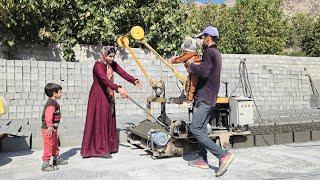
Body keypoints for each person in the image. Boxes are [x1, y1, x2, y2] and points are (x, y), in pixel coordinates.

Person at [185, 26, 234, 177]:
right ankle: (202, 159)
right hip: (210, 97)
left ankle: (222, 155)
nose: (201, 40)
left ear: (208, 37)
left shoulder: (209, 52)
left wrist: (191, 66)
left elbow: (204, 73)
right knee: (202, 130)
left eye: (202, 37)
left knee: (195, 129)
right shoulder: (216, 53)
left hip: (205, 97)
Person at [81, 46, 142, 158]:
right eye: (109, 56)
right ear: (104, 55)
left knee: (109, 118)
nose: (112, 59)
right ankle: (100, 150)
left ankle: (109, 147)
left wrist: (134, 80)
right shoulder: (98, 66)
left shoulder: (111, 64)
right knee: (101, 120)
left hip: (108, 94)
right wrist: (119, 88)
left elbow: (122, 73)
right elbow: (105, 80)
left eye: (113, 57)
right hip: (98, 95)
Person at [41, 83, 68, 172]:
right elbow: (48, 116)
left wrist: (55, 129)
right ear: (54, 93)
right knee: (48, 146)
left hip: (53, 129)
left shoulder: (54, 102)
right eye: (60, 91)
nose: (61, 93)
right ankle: (45, 165)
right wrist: (49, 127)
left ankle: (56, 160)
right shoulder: (51, 103)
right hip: (48, 130)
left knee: (54, 145)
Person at [169, 36, 201, 105]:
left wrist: (172, 61)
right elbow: (181, 56)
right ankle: (190, 98)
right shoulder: (194, 54)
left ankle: (189, 99)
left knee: (191, 84)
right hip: (195, 71)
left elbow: (181, 58)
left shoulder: (189, 54)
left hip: (194, 72)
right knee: (190, 84)